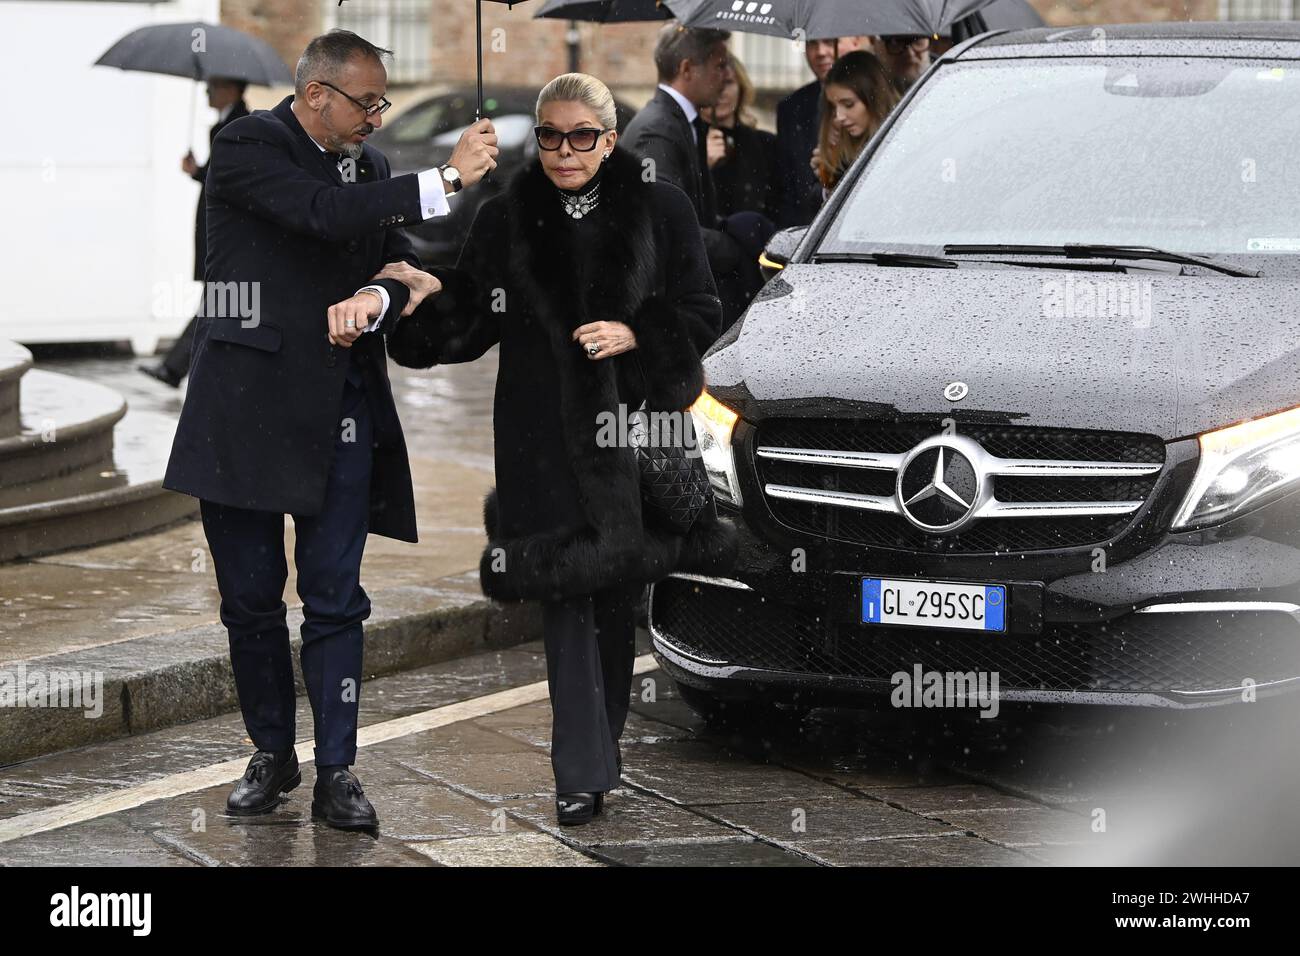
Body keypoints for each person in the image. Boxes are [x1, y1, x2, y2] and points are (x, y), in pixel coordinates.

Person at [377, 73, 738, 827]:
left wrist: (636, 336)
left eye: (580, 136)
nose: (563, 150)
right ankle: (580, 770)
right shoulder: (506, 215)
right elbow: (469, 319)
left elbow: (705, 314)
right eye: (548, 135)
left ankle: (598, 752)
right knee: (566, 599)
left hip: (631, 443)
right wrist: (413, 304)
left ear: (609, 139)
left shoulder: (661, 208)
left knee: (613, 605)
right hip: (538, 443)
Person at [162, 30, 499, 831]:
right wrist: (448, 175)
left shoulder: (371, 167)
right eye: (368, 102)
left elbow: (393, 256)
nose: (378, 118)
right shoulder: (246, 144)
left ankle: (338, 770)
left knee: (337, 602)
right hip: (239, 415)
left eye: (383, 103)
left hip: (340, 415)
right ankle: (271, 754)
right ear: (317, 95)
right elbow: (319, 214)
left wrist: (387, 290)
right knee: (249, 604)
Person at [621, 25, 760, 329]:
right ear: (687, 69)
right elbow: (663, 227)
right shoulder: (658, 130)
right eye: (720, 65)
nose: (727, 75)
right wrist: (732, 248)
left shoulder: (676, 121)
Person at [139, 78, 249, 387]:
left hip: (225, 231)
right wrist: (198, 171)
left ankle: (176, 368)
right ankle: (185, 368)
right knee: (221, 303)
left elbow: (227, 179)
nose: (206, 91)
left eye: (214, 85)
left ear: (231, 88)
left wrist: (199, 172)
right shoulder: (225, 123)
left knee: (218, 302)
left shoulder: (238, 124)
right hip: (218, 229)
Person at [773, 35, 870, 228]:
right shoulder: (791, 108)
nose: (820, 52)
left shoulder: (893, 103)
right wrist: (827, 185)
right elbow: (790, 190)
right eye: (812, 43)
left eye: (830, 42)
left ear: (857, 40)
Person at [700, 56, 778, 222]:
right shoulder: (686, 139)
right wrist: (702, 165)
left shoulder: (766, 144)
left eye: (728, 82)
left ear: (741, 88)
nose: (720, 91)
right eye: (712, 82)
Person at [812, 51, 901, 197]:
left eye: (848, 104)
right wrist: (829, 182)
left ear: (875, 100)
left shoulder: (903, 143)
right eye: (833, 106)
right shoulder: (838, 145)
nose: (839, 116)